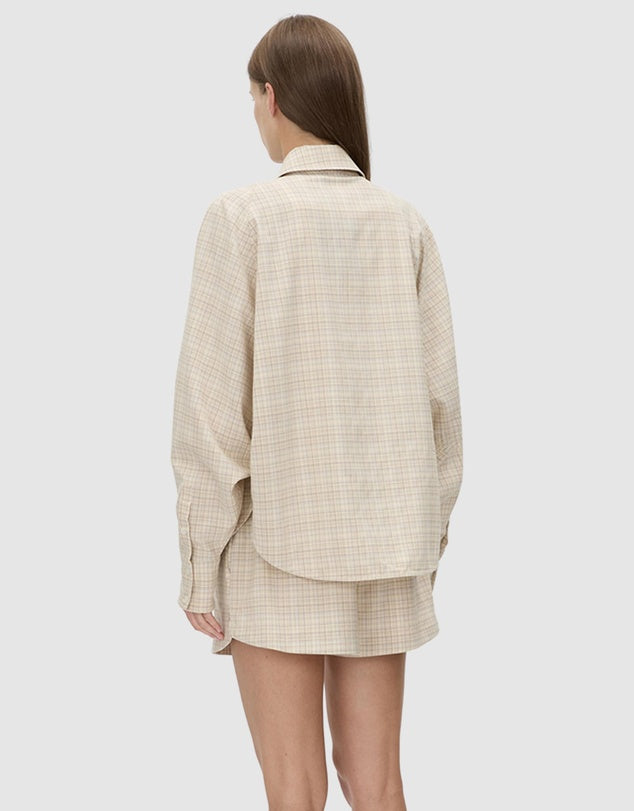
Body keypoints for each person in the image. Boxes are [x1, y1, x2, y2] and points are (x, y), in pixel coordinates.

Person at [170, 13, 463, 811]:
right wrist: (424, 541)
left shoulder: (241, 218)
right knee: (379, 784)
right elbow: (442, 410)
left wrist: (199, 560)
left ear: (272, 97)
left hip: (277, 548)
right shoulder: (404, 222)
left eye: (252, 98)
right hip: (386, 552)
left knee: (293, 790)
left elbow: (211, 414)